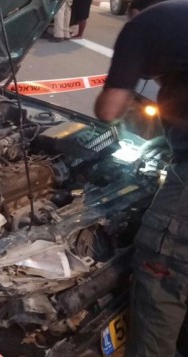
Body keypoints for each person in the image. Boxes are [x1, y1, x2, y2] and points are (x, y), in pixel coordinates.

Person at [94, 1, 188, 356]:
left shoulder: (141, 27)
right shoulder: (181, 19)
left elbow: (108, 110)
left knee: (162, 271)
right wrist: (172, 141)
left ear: (131, 9)